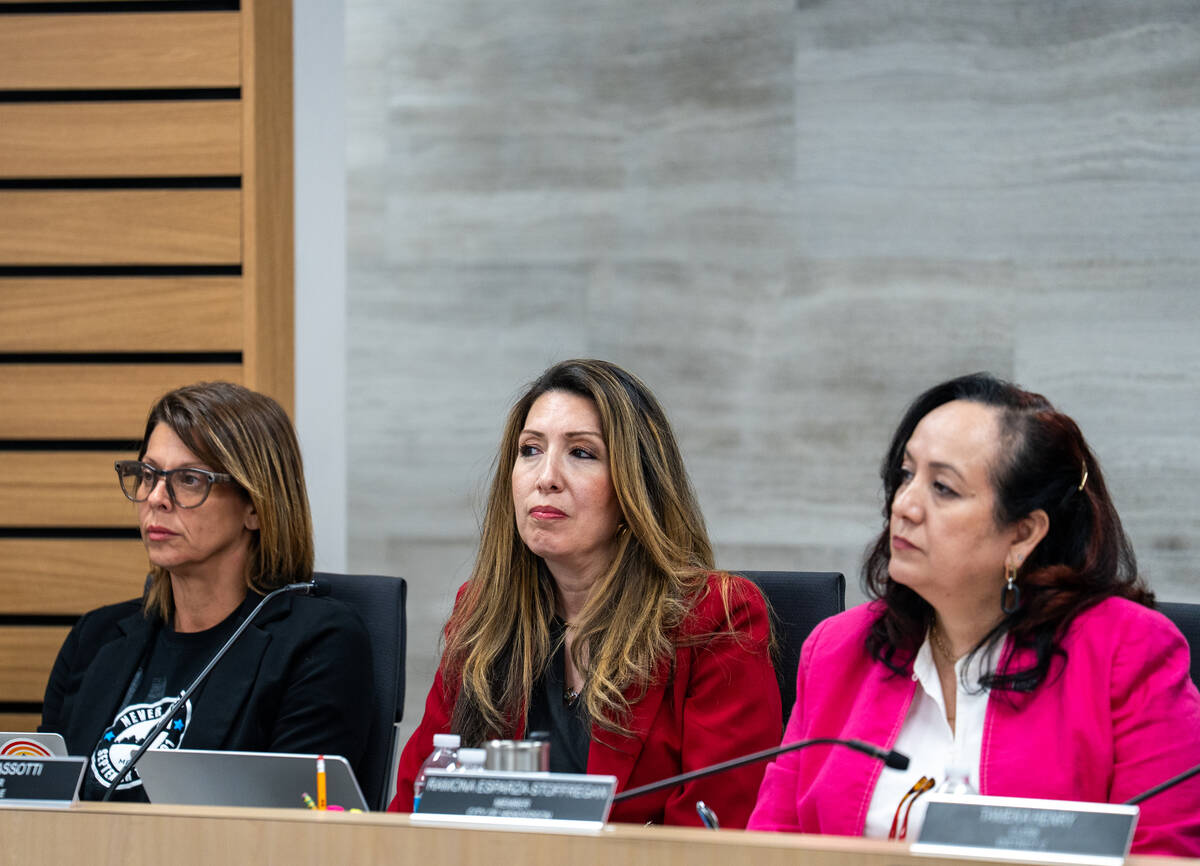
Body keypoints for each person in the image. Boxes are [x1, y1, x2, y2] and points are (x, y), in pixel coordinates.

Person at [748, 373, 1200, 856]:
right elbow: (771, 847)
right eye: (906, 475)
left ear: (1023, 534)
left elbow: (1163, 853)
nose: (905, 505)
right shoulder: (838, 651)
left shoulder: (1126, 653)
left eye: (943, 488)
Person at [389, 359, 780, 826]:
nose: (546, 477)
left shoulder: (715, 617)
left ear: (636, 488)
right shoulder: (482, 615)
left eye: (582, 453)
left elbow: (714, 828)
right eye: (530, 450)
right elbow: (414, 806)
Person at [40, 382, 373, 801]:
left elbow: (293, 828)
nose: (157, 498)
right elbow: (38, 800)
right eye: (147, 475)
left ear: (255, 505)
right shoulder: (94, 639)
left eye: (189, 479)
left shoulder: (319, 645)